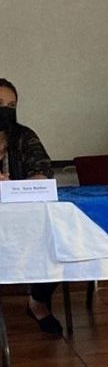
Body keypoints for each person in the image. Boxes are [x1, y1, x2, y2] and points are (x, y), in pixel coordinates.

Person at [0, 78, 62, 337]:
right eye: (0, 104)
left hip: (23, 219)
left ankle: (38, 301)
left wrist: (20, 184)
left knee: (57, 239)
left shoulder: (23, 135)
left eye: (11, 105)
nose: (6, 110)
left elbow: (43, 170)